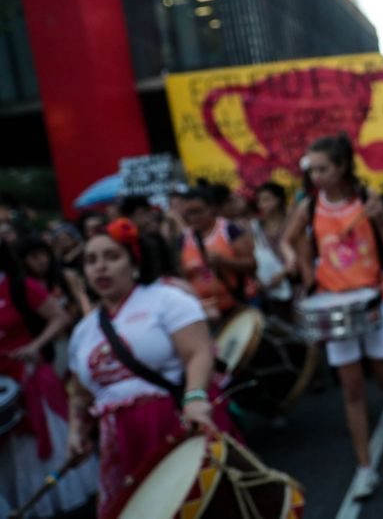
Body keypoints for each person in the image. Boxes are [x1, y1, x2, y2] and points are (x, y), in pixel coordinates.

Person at [66, 219, 237, 517]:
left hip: (171, 423)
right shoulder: (84, 331)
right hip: (119, 439)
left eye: (112, 256)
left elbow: (198, 353)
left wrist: (195, 399)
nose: (100, 267)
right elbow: (80, 390)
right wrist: (76, 430)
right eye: (91, 261)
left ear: (133, 261)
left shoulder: (166, 300)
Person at [280, 134, 383, 499]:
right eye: (312, 169)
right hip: (333, 307)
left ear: (341, 167)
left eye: (323, 168)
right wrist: (290, 256)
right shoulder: (309, 206)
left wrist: (382, 221)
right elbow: (285, 239)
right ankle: (364, 467)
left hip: (373, 299)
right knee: (352, 390)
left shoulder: (367, 200)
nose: (316, 175)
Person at [0, 239, 98, 517]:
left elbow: (59, 317)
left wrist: (34, 346)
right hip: (2, 398)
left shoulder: (19, 286)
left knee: (40, 455)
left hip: (32, 385)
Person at [179, 186, 257, 322]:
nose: (193, 218)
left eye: (197, 212)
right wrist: (187, 271)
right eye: (188, 213)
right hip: (207, 313)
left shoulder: (228, 230)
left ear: (211, 208)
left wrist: (224, 262)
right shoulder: (183, 238)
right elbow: (178, 274)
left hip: (238, 304)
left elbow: (252, 264)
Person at [250, 182, 293, 314]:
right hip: (269, 288)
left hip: (294, 282)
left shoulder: (293, 222)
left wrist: (283, 273)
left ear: (279, 200)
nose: (262, 204)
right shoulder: (255, 227)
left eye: (267, 199)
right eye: (260, 201)